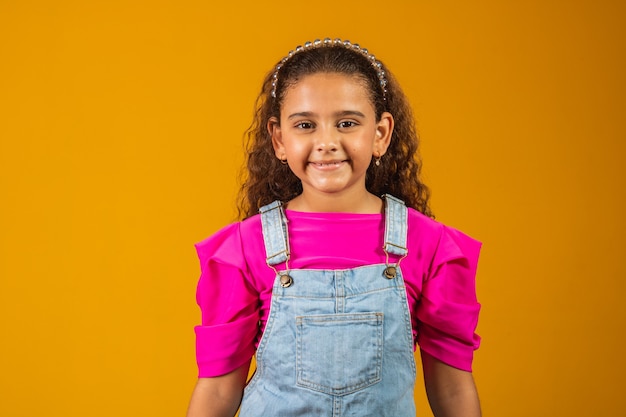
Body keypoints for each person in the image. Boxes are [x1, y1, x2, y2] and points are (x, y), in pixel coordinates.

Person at [186, 38, 482, 417]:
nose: (326, 142)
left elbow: (454, 392)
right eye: (305, 125)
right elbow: (216, 393)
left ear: (380, 134)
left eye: (346, 123)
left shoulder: (432, 245)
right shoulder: (244, 247)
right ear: (279, 139)